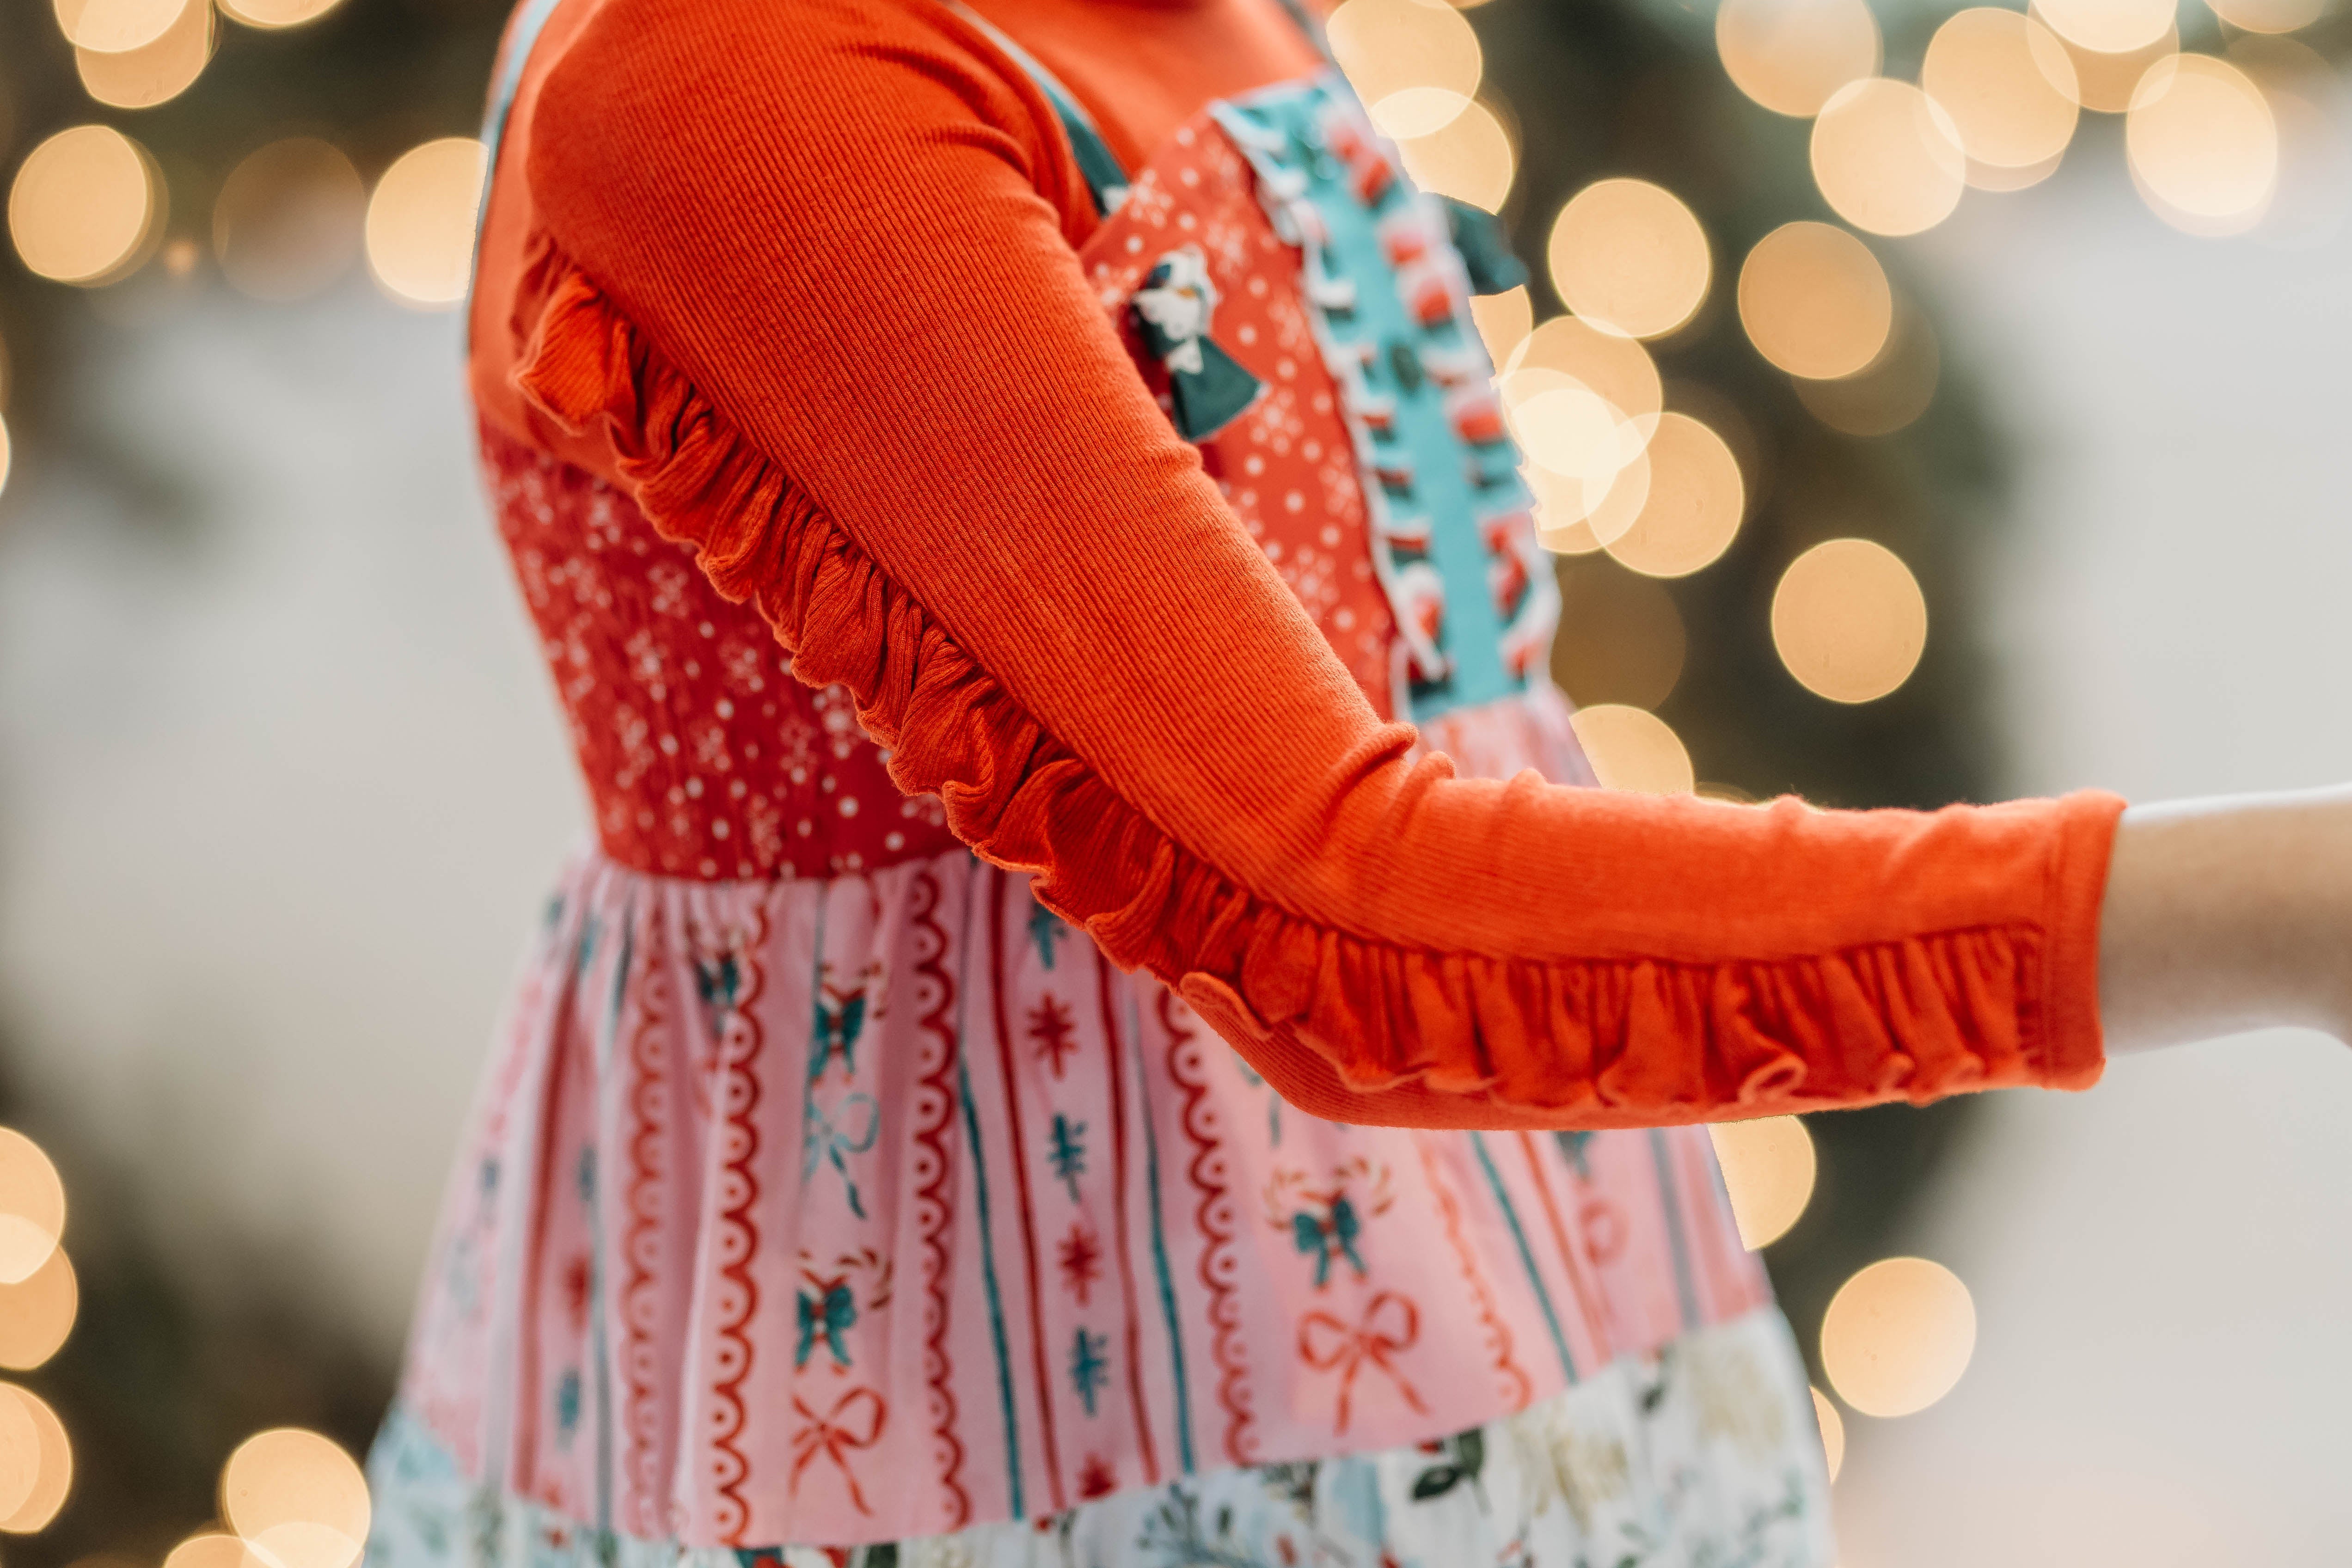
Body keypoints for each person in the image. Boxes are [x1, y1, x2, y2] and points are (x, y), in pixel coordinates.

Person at [357, 0, 2352, 1563]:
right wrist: (2281, 903)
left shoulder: (1212, 18)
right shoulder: (740, 72)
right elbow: (1334, 909)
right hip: (994, 1439)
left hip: (1471, 1335)